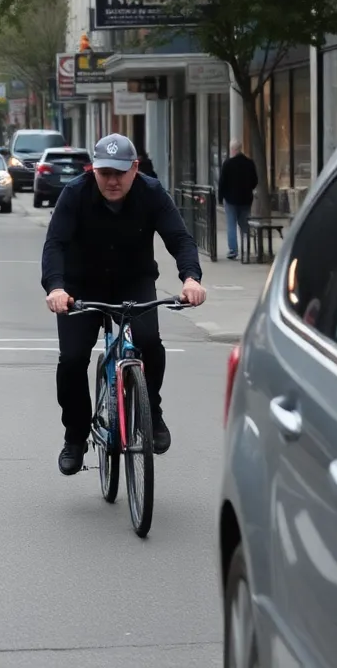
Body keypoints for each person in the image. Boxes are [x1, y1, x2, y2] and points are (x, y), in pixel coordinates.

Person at [42, 133, 207, 476]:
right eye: (104, 173)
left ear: (135, 168)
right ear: (93, 170)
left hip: (134, 280)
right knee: (72, 359)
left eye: (120, 172)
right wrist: (56, 288)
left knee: (149, 342)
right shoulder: (74, 194)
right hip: (79, 287)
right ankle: (75, 437)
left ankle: (153, 411)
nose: (113, 181)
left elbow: (180, 238)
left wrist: (191, 278)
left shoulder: (151, 192)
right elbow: (54, 244)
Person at [217, 140, 259, 260]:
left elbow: (222, 183)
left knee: (231, 224)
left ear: (232, 149)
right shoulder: (249, 163)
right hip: (246, 199)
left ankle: (233, 250)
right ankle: (247, 247)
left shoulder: (228, 164)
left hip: (230, 199)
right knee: (244, 224)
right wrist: (248, 189)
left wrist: (220, 198)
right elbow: (255, 180)